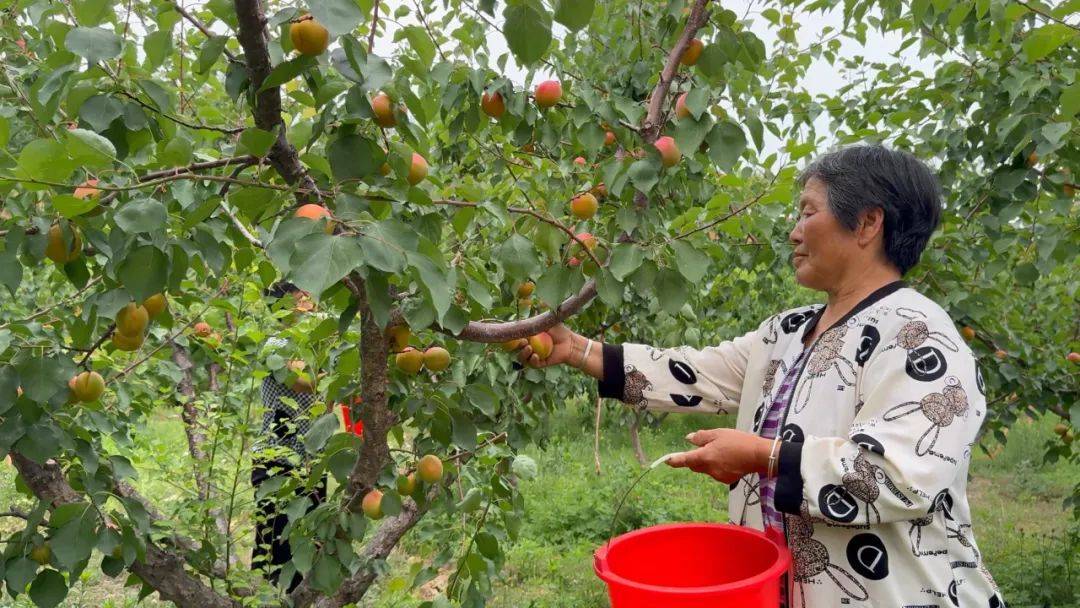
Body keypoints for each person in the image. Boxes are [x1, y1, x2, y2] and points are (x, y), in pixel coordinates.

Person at [515, 145, 1004, 607]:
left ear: (867, 223)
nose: (794, 232)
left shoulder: (920, 337)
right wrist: (576, 349)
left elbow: (901, 476)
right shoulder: (788, 332)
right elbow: (696, 373)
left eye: (808, 212)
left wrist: (763, 455)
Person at [250, 281, 327, 593]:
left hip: (311, 460)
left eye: (309, 295)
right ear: (283, 307)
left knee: (310, 539)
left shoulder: (316, 346)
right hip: (277, 460)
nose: (309, 302)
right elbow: (303, 381)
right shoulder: (275, 345)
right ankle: (269, 597)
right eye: (301, 297)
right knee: (275, 545)